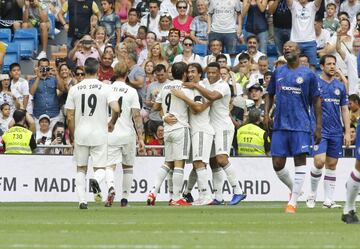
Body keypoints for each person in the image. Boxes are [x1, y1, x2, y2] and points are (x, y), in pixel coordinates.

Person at [264, 41, 322, 213]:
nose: (287, 49)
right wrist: (266, 114)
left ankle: (293, 202)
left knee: (299, 162)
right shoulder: (278, 71)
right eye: (285, 48)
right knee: (277, 163)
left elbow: (317, 100)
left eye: (291, 48)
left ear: (298, 51)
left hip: (301, 125)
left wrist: (318, 126)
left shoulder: (309, 75)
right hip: (280, 124)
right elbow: (269, 93)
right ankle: (296, 189)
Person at [183, 62, 246, 205]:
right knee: (213, 163)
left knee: (222, 159)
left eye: (214, 73)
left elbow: (211, 96)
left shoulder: (223, 86)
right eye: (209, 73)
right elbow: (195, 83)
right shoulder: (205, 82)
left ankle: (238, 190)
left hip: (223, 126)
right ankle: (218, 196)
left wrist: (195, 86)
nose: (211, 75)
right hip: (210, 128)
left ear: (219, 73)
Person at [64, 58, 120, 209]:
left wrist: (73, 135)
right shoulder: (106, 88)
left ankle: (82, 201)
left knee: (81, 168)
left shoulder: (75, 89)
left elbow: (69, 116)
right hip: (99, 133)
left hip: (81, 133)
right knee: (100, 168)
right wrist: (112, 122)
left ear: (84, 69)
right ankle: (96, 180)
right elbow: (116, 108)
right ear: (98, 70)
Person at [306, 54, 350, 209]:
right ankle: (311, 195)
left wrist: (347, 132)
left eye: (334, 64)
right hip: (319, 130)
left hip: (336, 131)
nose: (332, 66)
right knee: (319, 161)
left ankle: (328, 201)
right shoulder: (315, 84)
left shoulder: (339, 86)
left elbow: (344, 109)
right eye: (329, 64)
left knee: (332, 165)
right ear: (322, 66)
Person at [147, 62, 192, 206]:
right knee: (179, 164)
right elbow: (194, 107)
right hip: (180, 127)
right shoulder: (186, 88)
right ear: (185, 73)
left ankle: (153, 192)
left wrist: (164, 116)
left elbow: (155, 106)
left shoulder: (165, 87)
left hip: (167, 128)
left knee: (168, 162)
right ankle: (176, 198)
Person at [171, 63, 214, 205]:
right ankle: (189, 193)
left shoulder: (199, 88)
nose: (190, 74)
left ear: (200, 74)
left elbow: (197, 109)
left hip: (201, 130)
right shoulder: (194, 88)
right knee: (198, 164)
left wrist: (182, 97)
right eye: (188, 72)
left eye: (193, 72)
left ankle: (205, 196)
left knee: (198, 162)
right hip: (195, 130)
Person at [104, 61, 145, 207]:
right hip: (127, 133)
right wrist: (140, 137)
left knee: (109, 165)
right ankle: (124, 200)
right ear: (127, 74)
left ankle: (110, 187)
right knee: (128, 167)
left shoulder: (106, 89)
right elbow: (136, 116)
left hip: (110, 131)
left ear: (114, 72)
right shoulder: (132, 91)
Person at [29, 58, 66, 129]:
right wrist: (38, 77)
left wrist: (57, 74)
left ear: (49, 67)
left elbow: (62, 89)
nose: (44, 69)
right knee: (40, 139)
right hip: (39, 115)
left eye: (46, 67)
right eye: (42, 67)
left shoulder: (54, 79)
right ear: (38, 67)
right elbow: (31, 92)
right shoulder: (32, 80)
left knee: (55, 137)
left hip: (54, 114)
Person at [287, 0, 322, 67]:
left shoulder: (312, 5)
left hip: (310, 41)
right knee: (293, 64)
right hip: (295, 42)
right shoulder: (294, 4)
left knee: (312, 65)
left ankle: (312, 78)